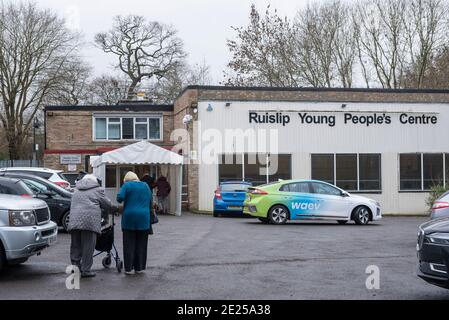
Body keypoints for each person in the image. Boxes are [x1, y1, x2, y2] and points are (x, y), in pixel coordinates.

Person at [68, 174, 113, 278]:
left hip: (74, 221)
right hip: (89, 222)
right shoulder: (97, 190)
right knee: (88, 247)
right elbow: (107, 204)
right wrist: (115, 208)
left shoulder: (76, 189)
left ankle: (75, 268)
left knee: (75, 245)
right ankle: (86, 270)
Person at [117, 171, 152, 275]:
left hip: (129, 218)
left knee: (129, 244)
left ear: (126, 179)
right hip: (144, 217)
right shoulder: (145, 185)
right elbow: (150, 201)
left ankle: (129, 268)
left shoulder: (127, 185)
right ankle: (139, 267)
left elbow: (119, 198)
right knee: (141, 244)